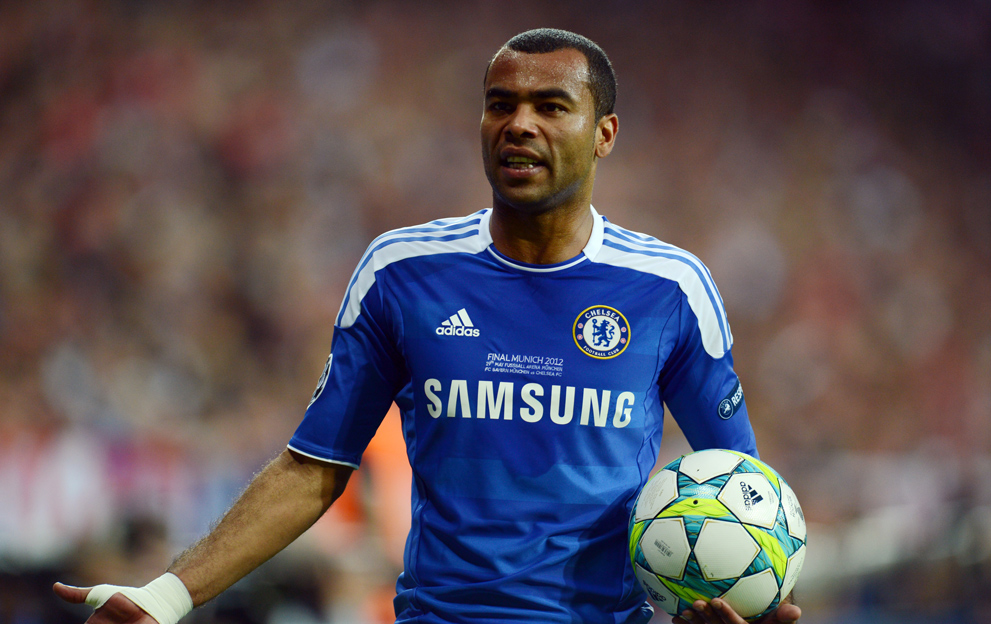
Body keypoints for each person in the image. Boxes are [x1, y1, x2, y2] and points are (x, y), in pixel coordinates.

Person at [54, 28, 801, 624]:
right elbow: (314, 468)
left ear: (603, 133)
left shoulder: (670, 289)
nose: (519, 124)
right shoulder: (403, 273)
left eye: (550, 106)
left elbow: (743, 495)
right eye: (500, 104)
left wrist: (741, 608)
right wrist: (167, 597)